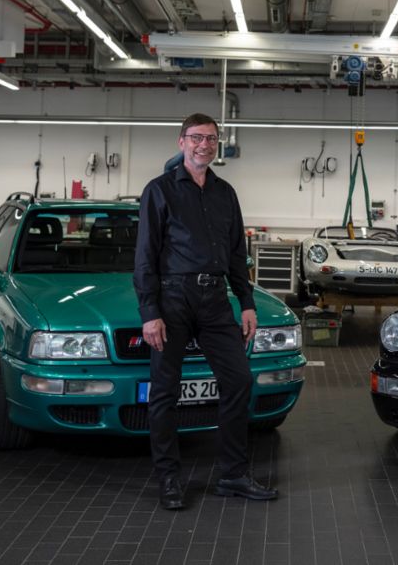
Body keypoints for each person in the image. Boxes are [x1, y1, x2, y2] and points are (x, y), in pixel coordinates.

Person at [134, 113, 277, 509]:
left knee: (239, 380)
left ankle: (232, 474)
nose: (204, 145)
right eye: (196, 138)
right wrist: (150, 312)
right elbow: (145, 257)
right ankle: (168, 479)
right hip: (172, 300)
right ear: (181, 141)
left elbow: (236, 254)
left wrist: (246, 303)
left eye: (211, 139)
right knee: (164, 390)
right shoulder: (159, 191)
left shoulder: (224, 192)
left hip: (215, 300)